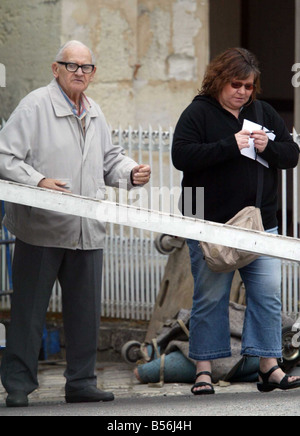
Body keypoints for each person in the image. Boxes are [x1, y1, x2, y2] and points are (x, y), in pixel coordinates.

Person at [0, 40, 151, 407]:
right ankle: (19, 385)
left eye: (86, 67)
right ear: (56, 69)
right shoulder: (35, 105)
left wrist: (131, 172)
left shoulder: (95, 111)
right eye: (71, 66)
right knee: (28, 312)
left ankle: (81, 382)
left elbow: (109, 159)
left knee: (85, 315)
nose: (79, 72)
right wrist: (39, 182)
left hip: (87, 230)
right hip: (42, 229)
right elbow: (4, 156)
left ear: (94, 73)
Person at [172, 48, 300, 395]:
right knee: (210, 298)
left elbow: (291, 154)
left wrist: (267, 148)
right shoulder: (198, 112)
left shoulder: (263, 113)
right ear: (218, 81)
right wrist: (230, 145)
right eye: (236, 84)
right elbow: (181, 155)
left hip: (261, 224)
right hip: (211, 225)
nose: (243, 91)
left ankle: (268, 366)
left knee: (267, 294)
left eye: (248, 86)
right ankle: (203, 370)